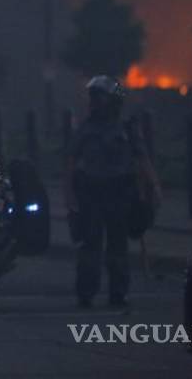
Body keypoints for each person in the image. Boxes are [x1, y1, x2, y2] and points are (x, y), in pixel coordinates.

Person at [63, 75, 161, 309]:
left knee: (118, 247)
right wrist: (69, 194)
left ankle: (118, 293)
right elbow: (70, 160)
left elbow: (142, 158)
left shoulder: (127, 127)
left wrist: (153, 188)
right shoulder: (86, 128)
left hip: (119, 193)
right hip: (91, 193)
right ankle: (86, 293)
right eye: (94, 96)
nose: (96, 101)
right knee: (90, 246)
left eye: (100, 96)